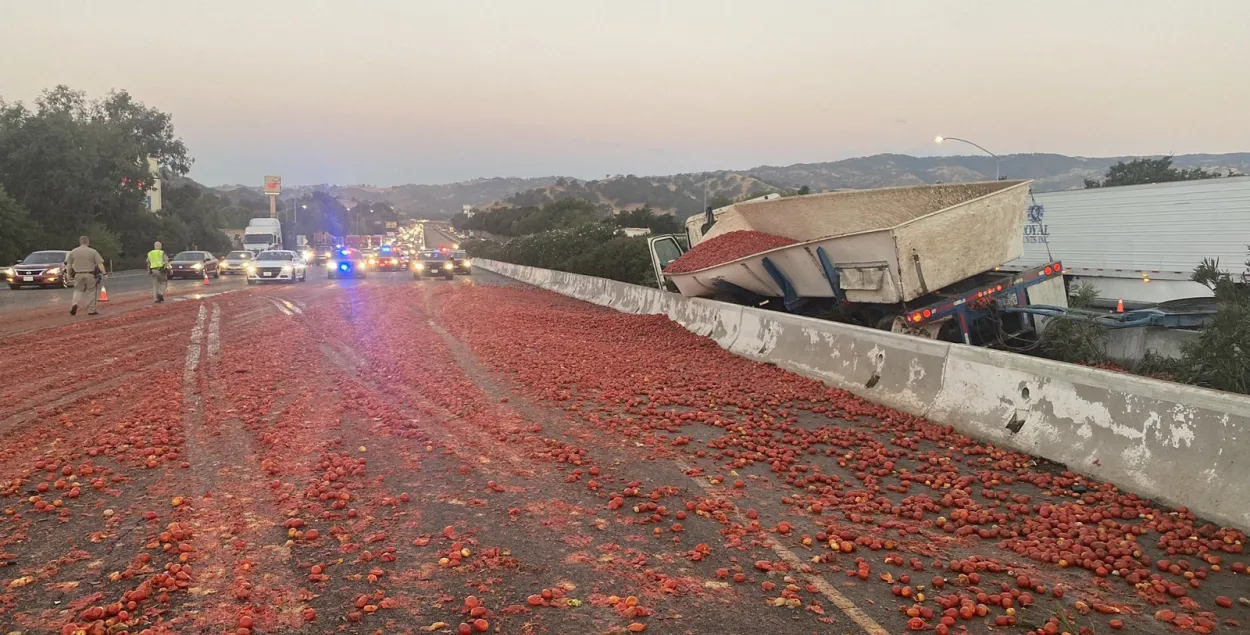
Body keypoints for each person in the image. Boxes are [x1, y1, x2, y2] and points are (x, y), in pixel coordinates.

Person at [67, 235, 106, 316]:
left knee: (78, 290)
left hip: (78, 275)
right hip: (89, 274)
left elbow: (69, 264)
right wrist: (104, 273)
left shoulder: (73, 252)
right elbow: (100, 264)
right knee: (91, 291)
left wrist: (68, 274)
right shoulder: (93, 251)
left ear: (80, 242)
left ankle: (75, 303)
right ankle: (91, 310)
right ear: (88, 242)